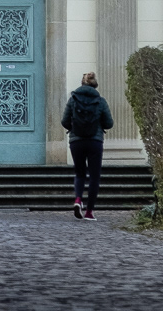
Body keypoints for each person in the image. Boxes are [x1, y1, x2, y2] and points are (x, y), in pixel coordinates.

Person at [62, 71, 113, 219]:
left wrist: (74, 128)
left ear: (82, 83)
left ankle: (78, 200)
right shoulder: (101, 101)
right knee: (94, 177)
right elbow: (109, 123)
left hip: (76, 141)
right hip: (95, 141)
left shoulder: (73, 99)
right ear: (95, 84)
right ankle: (89, 212)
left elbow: (64, 121)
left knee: (79, 173)